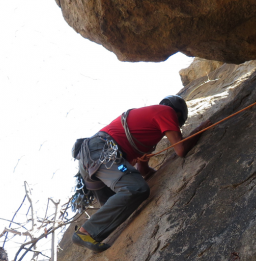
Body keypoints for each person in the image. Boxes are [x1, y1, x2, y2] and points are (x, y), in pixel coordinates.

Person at [71, 96, 208, 252]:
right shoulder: (166, 111)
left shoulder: (147, 135)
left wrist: (146, 164)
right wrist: (200, 130)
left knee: (122, 204)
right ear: (178, 115)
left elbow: (142, 171)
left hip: (93, 161)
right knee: (135, 188)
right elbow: (181, 149)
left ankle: (91, 235)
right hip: (102, 152)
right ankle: (85, 232)